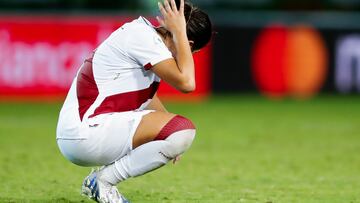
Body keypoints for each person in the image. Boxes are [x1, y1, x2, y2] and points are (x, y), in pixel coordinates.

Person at [56, 0, 212, 202]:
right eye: (192, 52)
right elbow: (187, 83)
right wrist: (180, 34)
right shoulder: (143, 37)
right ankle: (103, 181)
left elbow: (146, 97)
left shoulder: (145, 38)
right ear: (189, 44)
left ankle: (102, 181)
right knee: (184, 129)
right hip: (85, 133)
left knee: (178, 131)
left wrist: (169, 136)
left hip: (82, 134)